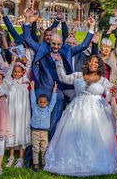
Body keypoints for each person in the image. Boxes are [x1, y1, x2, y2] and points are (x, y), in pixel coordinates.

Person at [44, 54, 117, 176]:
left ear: (99, 65)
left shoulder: (103, 80)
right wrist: (59, 63)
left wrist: (114, 91)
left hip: (97, 112)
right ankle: (73, 163)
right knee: (74, 136)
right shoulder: (77, 75)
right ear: (87, 63)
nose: (93, 64)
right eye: (91, 61)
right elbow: (63, 78)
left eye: (96, 62)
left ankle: (97, 161)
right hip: (77, 110)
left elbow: (113, 92)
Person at [22, 9, 95, 138]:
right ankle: (31, 154)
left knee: (55, 122)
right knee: (36, 122)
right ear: (50, 42)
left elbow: (83, 46)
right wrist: (27, 19)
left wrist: (91, 27)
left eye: (58, 44)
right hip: (43, 89)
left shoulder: (67, 50)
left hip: (59, 92)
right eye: (54, 44)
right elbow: (27, 39)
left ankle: (50, 149)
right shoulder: (42, 49)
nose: (56, 47)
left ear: (62, 44)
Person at [1, 58, 31, 168]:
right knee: (12, 132)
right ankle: (11, 156)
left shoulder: (25, 83)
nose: (17, 74)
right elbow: (8, 75)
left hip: (22, 113)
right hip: (11, 112)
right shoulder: (10, 82)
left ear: (23, 72)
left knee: (21, 132)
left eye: (19, 72)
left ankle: (21, 158)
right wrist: (12, 62)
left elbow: (29, 64)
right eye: (15, 72)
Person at [29, 81, 57, 172]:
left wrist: (54, 91)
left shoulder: (49, 109)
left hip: (44, 132)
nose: (42, 104)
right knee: (35, 149)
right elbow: (32, 100)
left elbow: (53, 101)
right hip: (35, 132)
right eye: (40, 102)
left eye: (44, 102)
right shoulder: (35, 108)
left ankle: (44, 163)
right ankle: (35, 164)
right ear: (38, 102)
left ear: (47, 103)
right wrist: (32, 89)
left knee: (44, 148)